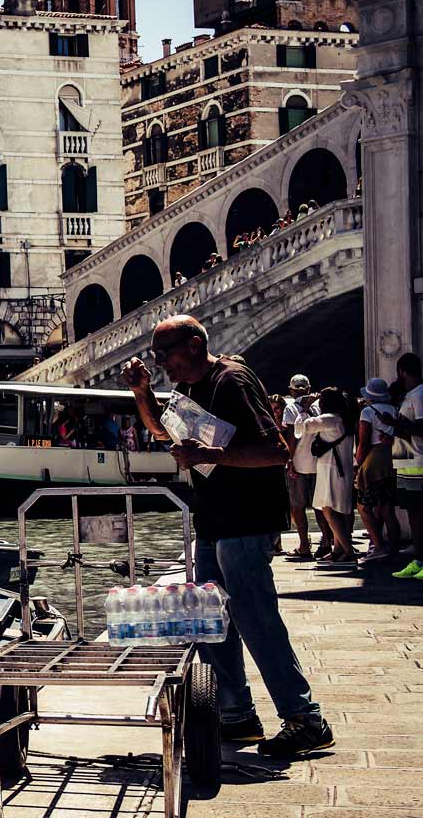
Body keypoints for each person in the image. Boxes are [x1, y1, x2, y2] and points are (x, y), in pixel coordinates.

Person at [122, 314, 331, 759]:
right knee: (210, 620)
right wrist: (142, 393)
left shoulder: (232, 380)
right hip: (214, 519)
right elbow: (161, 430)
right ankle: (236, 714)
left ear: (194, 344)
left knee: (255, 618)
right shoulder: (190, 390)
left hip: (247, 518)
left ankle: (305, 718)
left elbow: (275, 451)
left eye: (165, 354)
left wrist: (210, 454)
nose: (161, 364)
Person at [298, 388, 357, 564]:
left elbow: (303, 427)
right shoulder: (344, 419)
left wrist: (305, 408)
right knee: (336, 509)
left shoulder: (329, 419)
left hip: (331, 469)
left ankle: (348, 551)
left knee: (328, 509)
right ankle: (338, 549)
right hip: (340, 469)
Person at [356, 378, 401, 566]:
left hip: (373, 459)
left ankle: (378, 546)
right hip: (391, 458)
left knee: (363, 507)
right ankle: (394, 549)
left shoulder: (367, 412)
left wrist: (358, 463)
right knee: (387, 509)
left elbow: (364, 441)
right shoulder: (394, 410)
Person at [279, 376, 324, 562]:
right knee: (320, 506)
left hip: (299, 463)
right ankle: (326, 542)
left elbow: (292, 436)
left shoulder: (290, 408)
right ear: (309, 388)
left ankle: (304, 545)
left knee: (298, 507)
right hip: (318, 462)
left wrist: (290, 460)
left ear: (291, 391)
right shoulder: (319, 406)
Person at [386, 353, 423, 578]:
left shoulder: (419, 394)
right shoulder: (411, 395)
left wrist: (396, 423)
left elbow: (421, 428)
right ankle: (418, 559)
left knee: (418, 513)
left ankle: (420, 560)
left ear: (402, 371)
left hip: (418, 463)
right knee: (412, 512)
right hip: (407, 462)